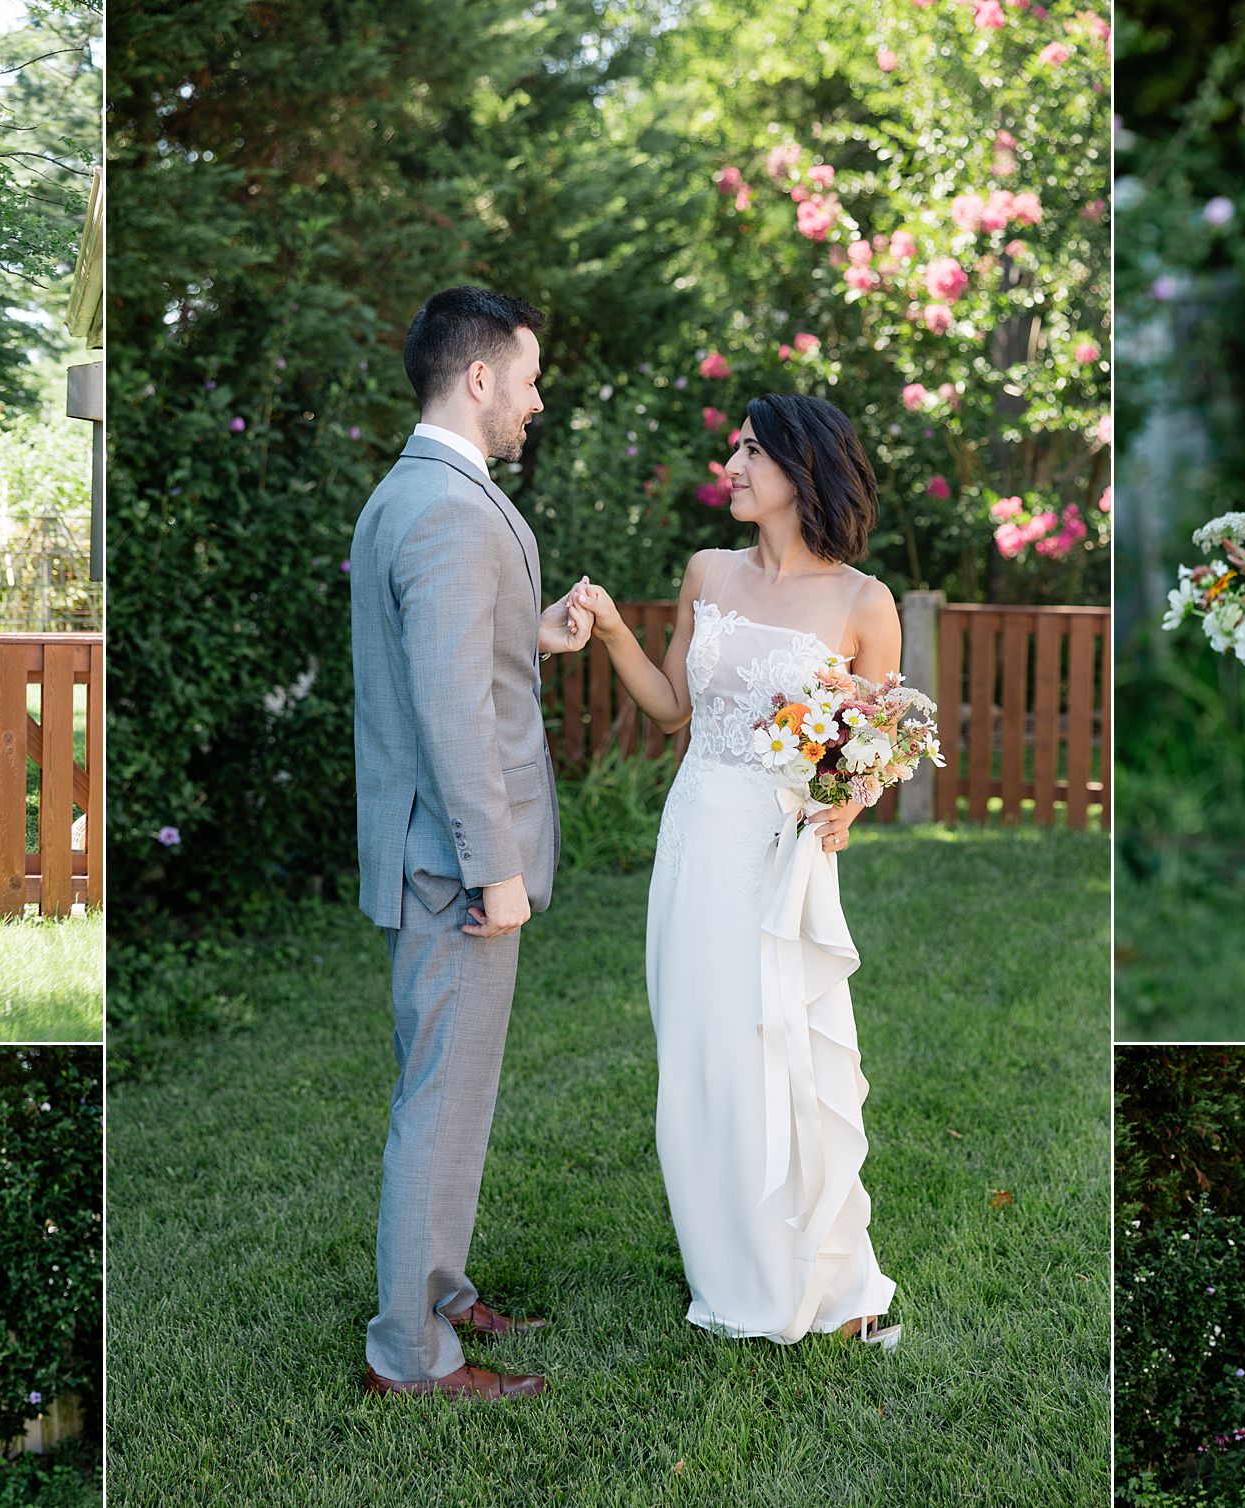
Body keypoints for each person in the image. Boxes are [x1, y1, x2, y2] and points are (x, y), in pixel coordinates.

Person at [571, 393, 903, 1348]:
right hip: (694, 842)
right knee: (700, 1058)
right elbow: (674, 707)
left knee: (782, 1057)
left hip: (779, 853)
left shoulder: (862, 602)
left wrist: (850, 800)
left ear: (804, 471)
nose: (734, 461)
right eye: (737, 447)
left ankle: (823, 1274)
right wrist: (612, 632)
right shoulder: (707, 572)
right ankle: (729, 1269)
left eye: (753, 450)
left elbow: (873, 750)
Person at [348, 285, 595, 1400]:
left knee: (451, 1096)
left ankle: (441, 1288)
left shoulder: (413, 491)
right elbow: (448, 712)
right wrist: (495, 864)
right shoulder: (448, 505)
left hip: (433, 847)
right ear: (481, 377)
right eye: (531, 378)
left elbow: (443, 662)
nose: (537, 401)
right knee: (441, 1103)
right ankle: (411, 1356)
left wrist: (528, 633)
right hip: (453, 862)